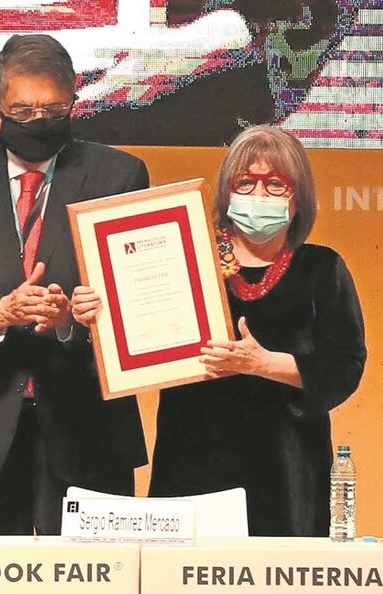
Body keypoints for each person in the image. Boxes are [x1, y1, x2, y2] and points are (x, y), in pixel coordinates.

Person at [0, 34, 149, 536]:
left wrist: (69, 323)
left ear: (75, 103)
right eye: (23, 111)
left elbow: (138, 303)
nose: (38, 121)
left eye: (53, 109)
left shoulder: (120, 174)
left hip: (88, 426)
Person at [74, 125, 365, 536]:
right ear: (226, 195)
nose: (258, 197)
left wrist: (261, 363)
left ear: (299, 199)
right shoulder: (184, 254)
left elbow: (344, 367)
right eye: (245, 183)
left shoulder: (321, 269)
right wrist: (100, 317)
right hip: (192, 459)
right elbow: (131, 343)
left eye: (275, 185)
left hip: (286, 469)